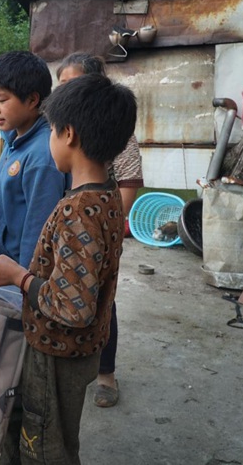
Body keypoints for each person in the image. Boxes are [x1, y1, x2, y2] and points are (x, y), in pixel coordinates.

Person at [0, 73, 137, 464]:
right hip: (81, 349)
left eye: (50, 129)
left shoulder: (79, 211)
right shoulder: (107, 196)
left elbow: (72, 307)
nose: (48, 139)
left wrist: (17, 276)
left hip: (58, 351)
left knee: (45, 444)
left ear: (67, 135)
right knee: (57, 436)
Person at [57, 52, 145, 408]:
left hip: (96, 230)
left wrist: (102, 231)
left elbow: (127, 186)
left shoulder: (117, 134)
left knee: (102, 299)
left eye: (73, 84)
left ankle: (105, 373)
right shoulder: (59, 129)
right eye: (61, 85)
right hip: (65, 226)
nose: (65, 92)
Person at [0, 51, 70, 272]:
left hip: (19, 273)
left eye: (2, 100)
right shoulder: (13, 138)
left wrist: (23, 281)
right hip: (1, 260)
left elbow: (38, 231)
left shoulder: (42, 155)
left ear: (32, 100)